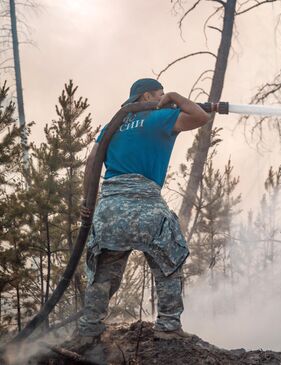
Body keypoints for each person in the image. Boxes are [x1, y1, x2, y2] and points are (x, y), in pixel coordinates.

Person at [77, 78, 210, 342]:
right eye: (160, 94)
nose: (164, 99)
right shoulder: (158, 118)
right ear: (147, 96)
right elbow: (200, 116)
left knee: (104, 272)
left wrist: (87, 204)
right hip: (146, 206)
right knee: (169, 262)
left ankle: (88, 329)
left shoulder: (112, 126)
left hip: (110, 208)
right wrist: (176, 96)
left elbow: (92, 161)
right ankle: (169, 327)